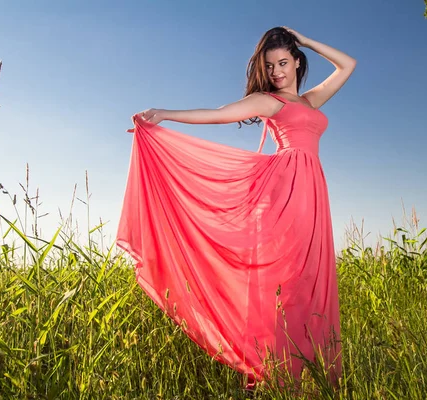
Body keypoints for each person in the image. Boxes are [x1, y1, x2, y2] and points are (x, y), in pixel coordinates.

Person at [117, 26, 357, 391]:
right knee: (286, 281)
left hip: (313, 192)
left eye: (283, 63)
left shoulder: (309, 102)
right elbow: (219, 113)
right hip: (286, 191)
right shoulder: (269, 101)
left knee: (308, 279)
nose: (277, 72)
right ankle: (274, 370)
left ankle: (306, 372)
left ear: (296, 62)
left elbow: (347, 65)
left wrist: (305, 40)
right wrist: (164, 114)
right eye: (270, 66)